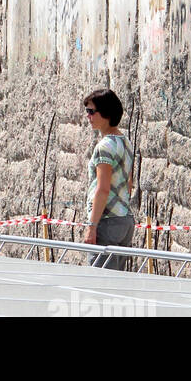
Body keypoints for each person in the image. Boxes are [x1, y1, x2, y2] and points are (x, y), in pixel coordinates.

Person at [82, 89, 137, 270]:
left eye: (91, 111)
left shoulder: (104, 147)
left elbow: (102, 188)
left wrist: (92, 225)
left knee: (98, 284)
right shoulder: (125, 142)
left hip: (107, 221)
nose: (88, 116)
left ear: (105, 113)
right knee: (116, 284)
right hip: (124, 219)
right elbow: (128, 183)